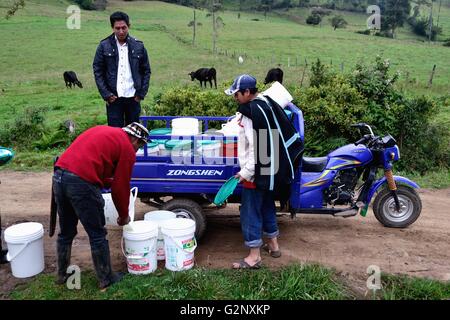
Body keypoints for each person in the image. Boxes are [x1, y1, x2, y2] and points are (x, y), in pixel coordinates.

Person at [52, 122, 149, 290]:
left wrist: (105, 182)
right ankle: (106, 278)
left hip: (60, 175)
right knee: (97, 234)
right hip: (81, 182)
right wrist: (124, 214)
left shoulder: (105, 131)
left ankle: (62, 274)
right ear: (135, 140)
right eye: (140, 146)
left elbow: (95, 164)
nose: (137, 150)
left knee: (66, 232)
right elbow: (121, 187)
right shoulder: (127, 148)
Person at [224, 74, 303, 269]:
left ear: (248, 92)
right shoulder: (266, 103)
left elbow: (255, 146)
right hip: (270, 169)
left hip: (256, 172)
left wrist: (246, 172)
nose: (235, 98)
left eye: (237, 94)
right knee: (267, 204)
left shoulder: (251, 113)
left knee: (250, 212)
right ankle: (273, 245)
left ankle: (254, 256)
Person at [93, 11, 151, 128]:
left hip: (133, 97)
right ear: (112, 28)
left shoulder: (138, 46)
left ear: (129, 26)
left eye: (124, 28)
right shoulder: (104, 46)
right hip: (114, 98)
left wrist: (141, 94)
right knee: (115, 134)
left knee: (133, 135)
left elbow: (146, 71)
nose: (121, 31)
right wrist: (107, 94)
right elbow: (98, 70)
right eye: (117, 28)